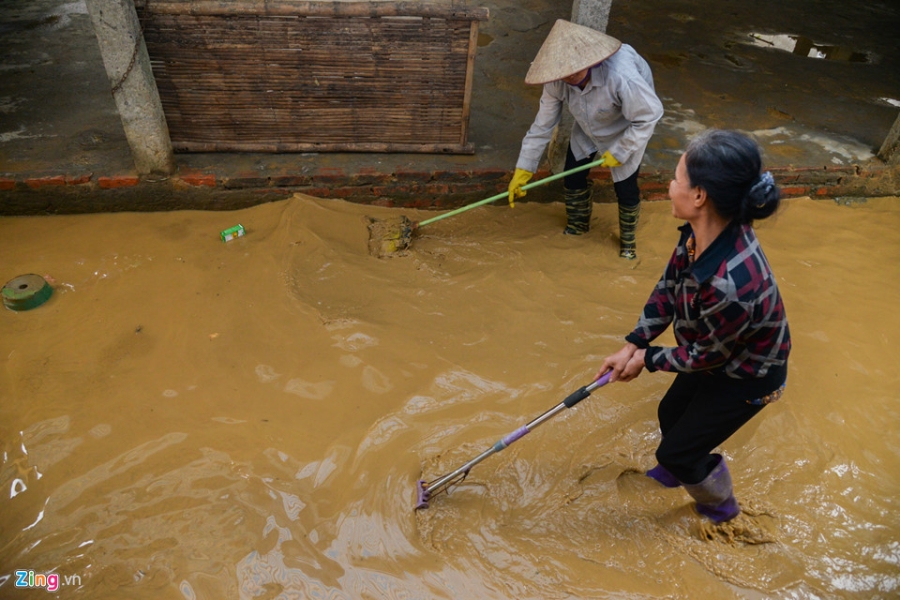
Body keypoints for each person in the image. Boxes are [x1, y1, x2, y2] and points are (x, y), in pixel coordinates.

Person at [598, 129, 791, 523]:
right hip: (716, 352)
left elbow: (705, 356)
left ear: (699, 196)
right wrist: (634, 342)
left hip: (748, 376)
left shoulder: (730, 284)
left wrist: (648, 359)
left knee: (676, 450)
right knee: (671, 413)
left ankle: (721, 510)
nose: (670, 187)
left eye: (676, 179)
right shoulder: (698, 235)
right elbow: (668, 289)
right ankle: (681, 470)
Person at [507, 19, 664, 259]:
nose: (568, 76)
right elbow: (542, 125)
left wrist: (622, 149)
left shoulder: (622, 76)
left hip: (627, 125)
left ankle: (628, 242)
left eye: (575, 70)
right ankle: (578, 226)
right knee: (572, 175)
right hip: (587, 122)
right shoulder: (556, 79)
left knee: (625, 187)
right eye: (563, 72)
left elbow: (649, 115)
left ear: (592, 61)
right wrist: (524, 168)